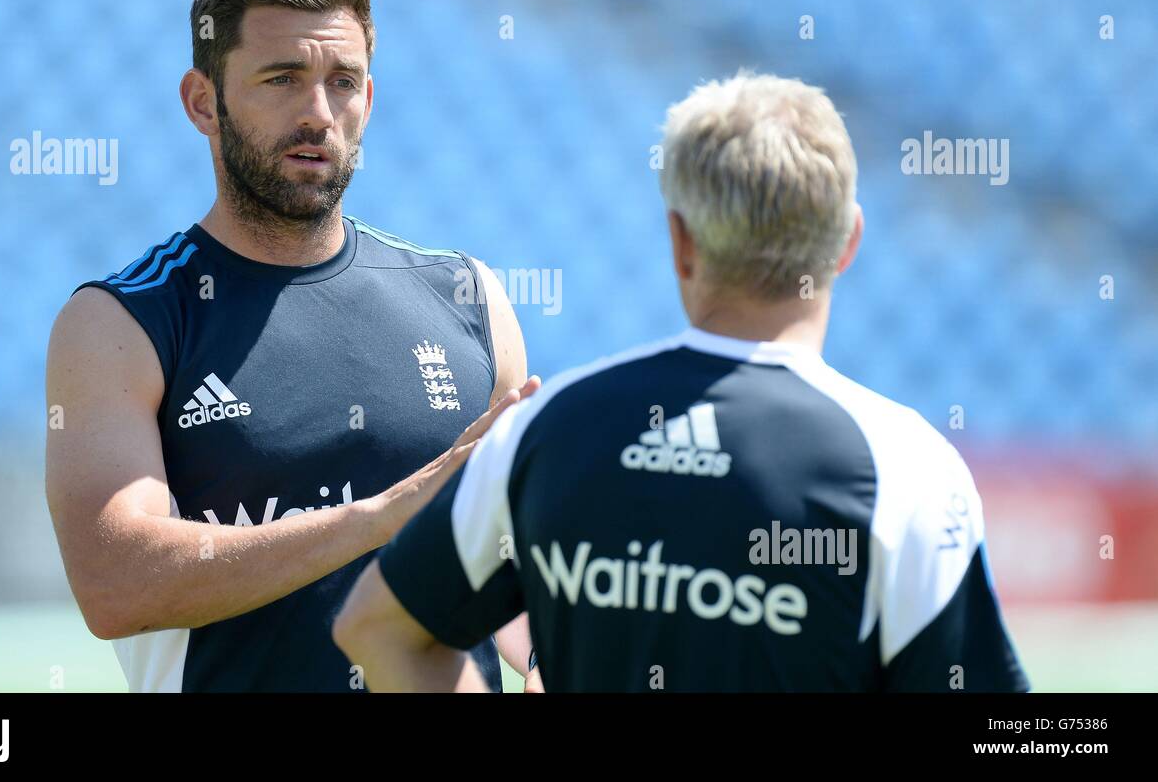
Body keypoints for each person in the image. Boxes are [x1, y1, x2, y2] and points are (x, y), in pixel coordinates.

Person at [333, 72, 1030, 693]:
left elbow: (375, 630)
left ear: (681, 240)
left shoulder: (546, 429)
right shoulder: (905, 466)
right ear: (847, 242)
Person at [45, 0, 540, 692]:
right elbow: (114, 584)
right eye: (282, 78)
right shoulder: (123, 322)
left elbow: (509, 564)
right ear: (202, 102)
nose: (318, 113)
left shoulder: (468, 297)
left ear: (368, 100)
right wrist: (377, 521)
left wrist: (548, 656)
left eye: (343, 82)